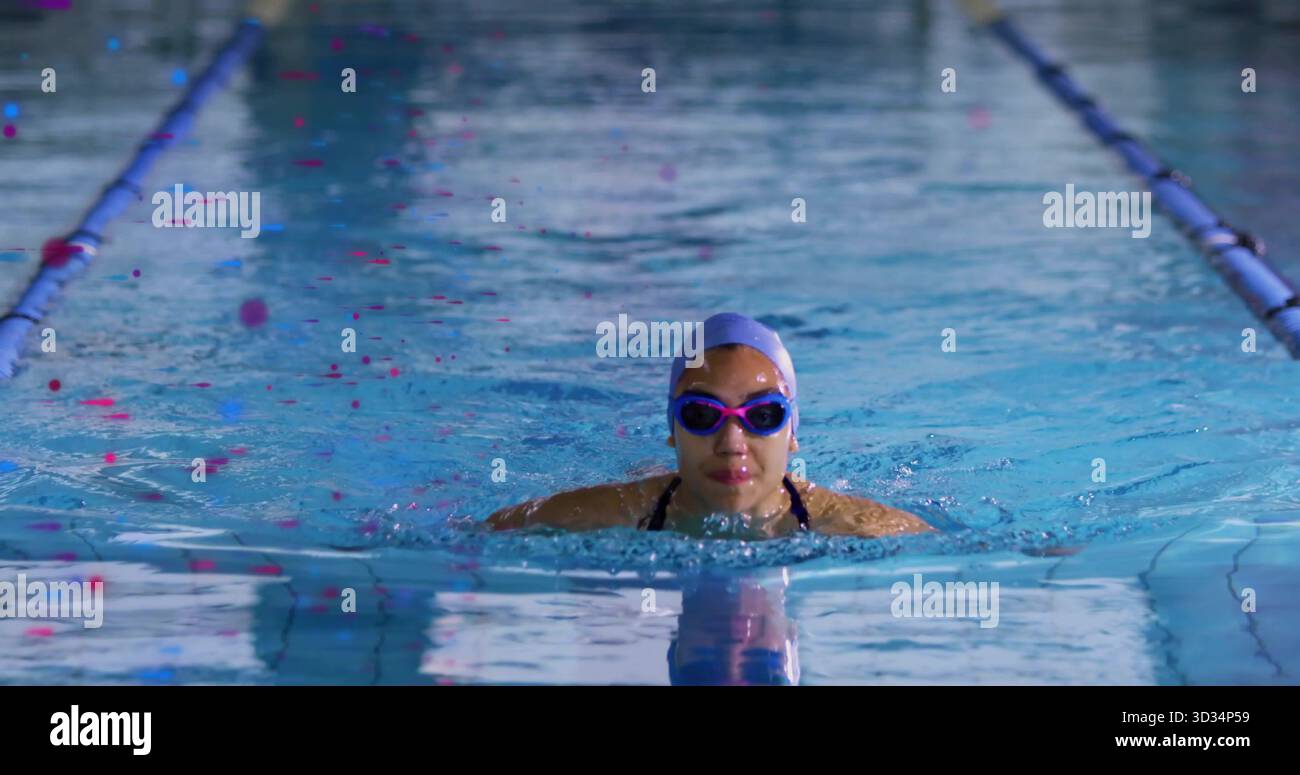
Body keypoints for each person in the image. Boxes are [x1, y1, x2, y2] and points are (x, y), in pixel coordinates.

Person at [487, 313, 933, 538]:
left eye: (762, 416)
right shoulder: (614, 512)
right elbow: (478, 534)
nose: (731, 443)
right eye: (702, 415)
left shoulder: (854, 523)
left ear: (792, 432)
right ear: (672, 429)